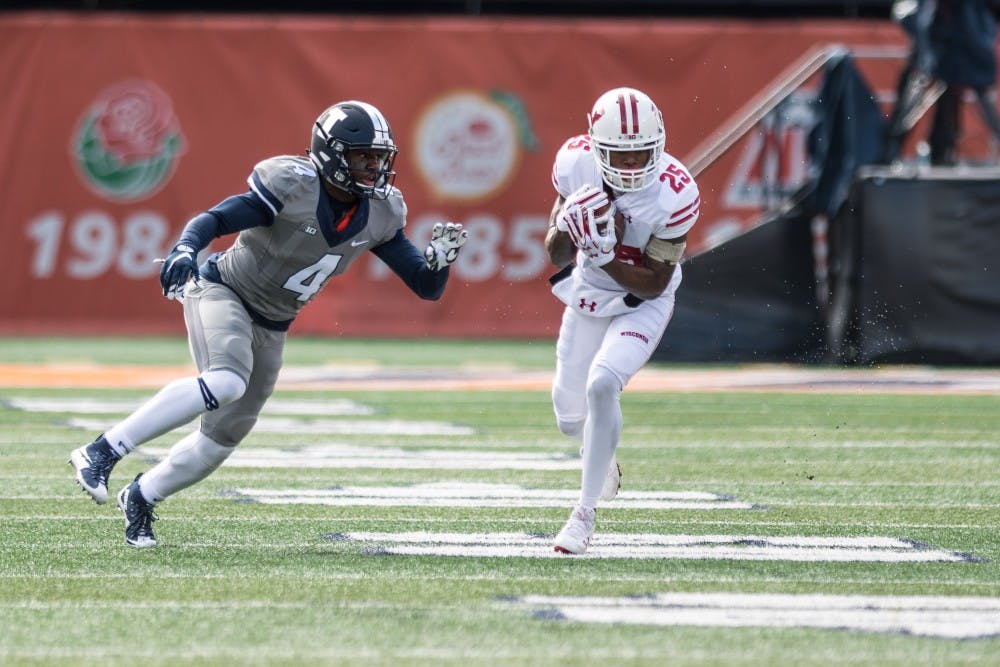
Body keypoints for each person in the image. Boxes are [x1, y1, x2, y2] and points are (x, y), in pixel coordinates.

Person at [69, 100, 468, 547]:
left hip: (274, 323)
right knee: (225, 382)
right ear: (333, 154)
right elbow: (216, 219)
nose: (374, 167)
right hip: (224, 291)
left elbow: (425, 286)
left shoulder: (380, 212)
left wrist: (439, 265)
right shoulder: (292, 185)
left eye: (379, 158)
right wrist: (185, 248)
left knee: (220, 441)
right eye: (363, 157)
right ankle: (102, 450)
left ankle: (141, 495)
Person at [544, 87, 699, 555]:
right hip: (590, 296)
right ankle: (600, 453)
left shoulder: (676, 192)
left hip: (643, 304)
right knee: (571, 418)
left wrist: (604, 253)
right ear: (596, 147)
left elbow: (652, 283)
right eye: (620, 156)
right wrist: (569, 226)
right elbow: (552, 251)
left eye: (641, 155)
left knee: (602, 384)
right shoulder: (574, 164)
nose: (631, 167)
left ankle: (582, 516)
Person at [883, 0, 1000, 165]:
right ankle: (892, 148)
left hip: (960, 49)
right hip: (941, 50)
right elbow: (919, 18)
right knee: (915, 103)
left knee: (973, 104)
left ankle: (936, 150)